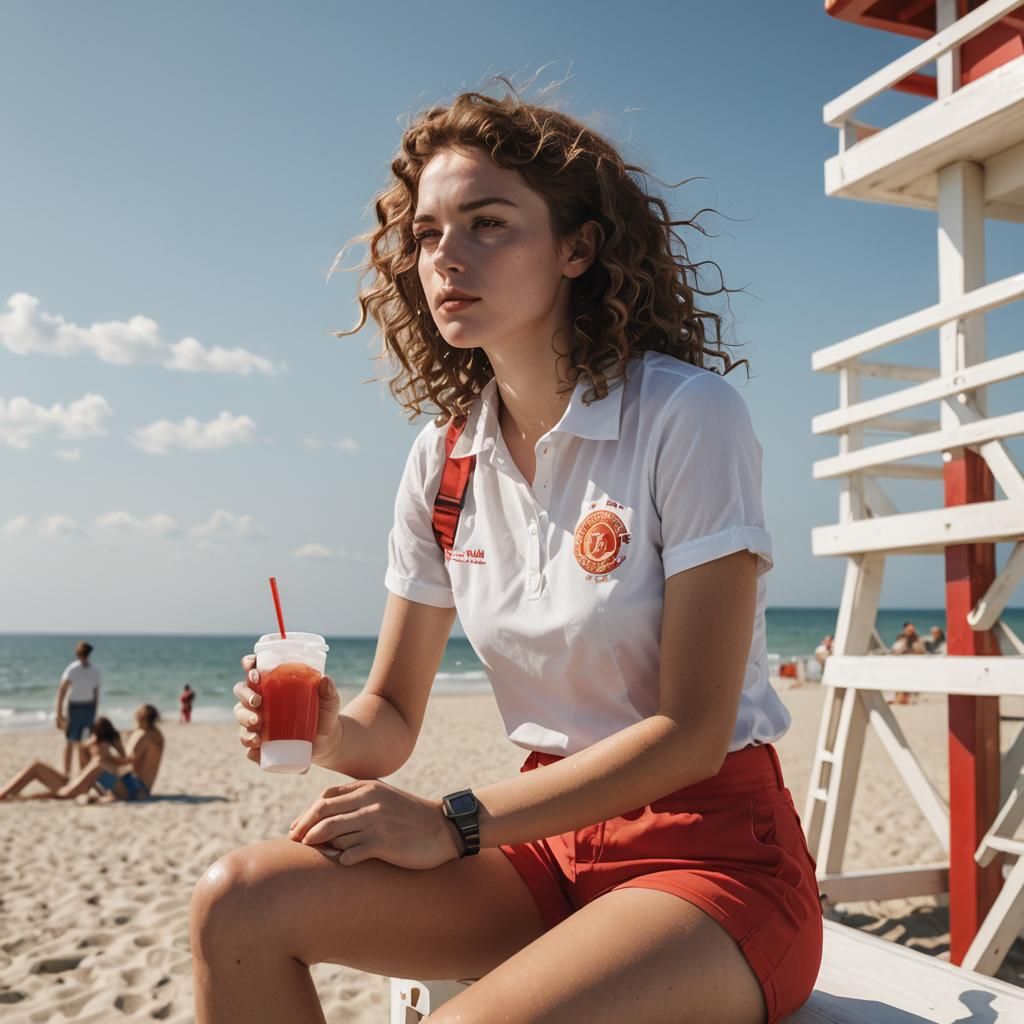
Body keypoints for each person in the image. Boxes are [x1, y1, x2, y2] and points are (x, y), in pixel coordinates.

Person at [191, 82, 822, 1024]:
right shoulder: (443, 459)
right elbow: (392, 717)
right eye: (430, 231)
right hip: (545, 845)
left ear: (579, 248)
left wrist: (451, 822)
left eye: (488, 223)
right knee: (235, 900)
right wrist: (328, 731)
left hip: (711, 853)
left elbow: (691, 733)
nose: (448, 255)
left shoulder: (686, 417)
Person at [0, 709, 163, 801]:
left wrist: (107, 758)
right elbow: (85, 769)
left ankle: (17, 798)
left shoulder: (114, 747)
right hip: (83, 783)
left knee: (64, 792)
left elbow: (127, 765)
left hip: (91, 786)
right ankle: (3, 794)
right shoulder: (91, 747)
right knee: (35, 766)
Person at [54, 640, 101, 775]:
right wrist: (59, 713)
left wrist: (95, 713)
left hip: (88, 708)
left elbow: (96, 693)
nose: (84, 657)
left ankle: (84, 772)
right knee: (70, 740)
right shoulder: (72, 669)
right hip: (74, 708)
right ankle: (66, 773)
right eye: (82, 654)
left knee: (86, 743)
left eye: (86, 654)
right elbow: (62, 691)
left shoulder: (94, 670)